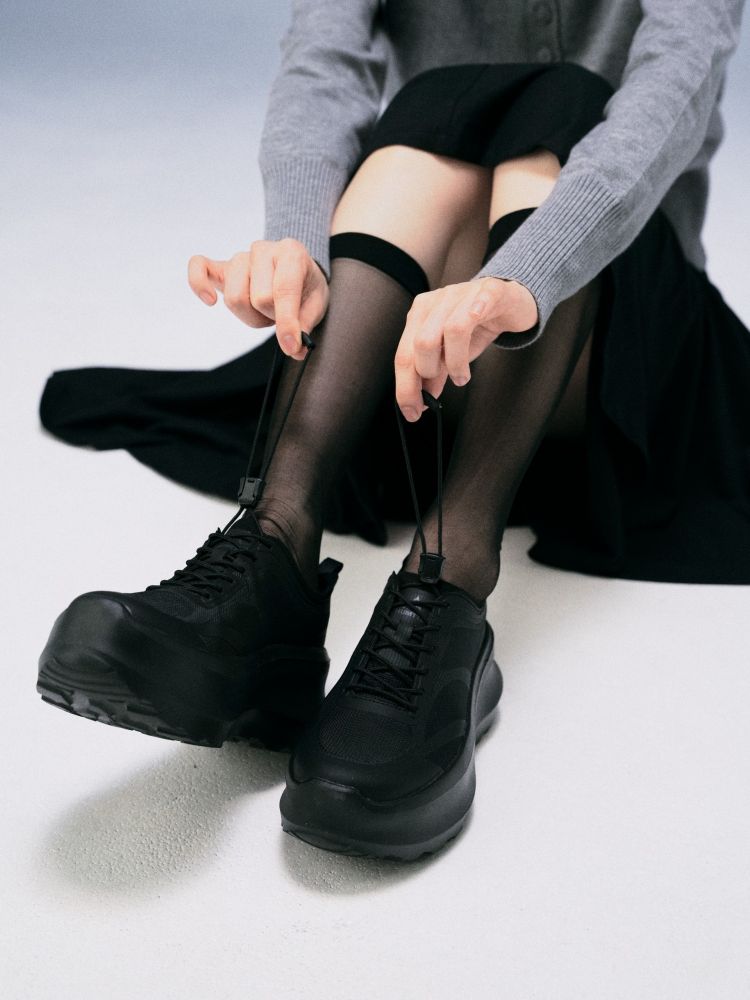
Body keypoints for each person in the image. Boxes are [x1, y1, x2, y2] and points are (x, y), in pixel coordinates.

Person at [38, 0, 750, 861]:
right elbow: (323, 59)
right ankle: (272, 555)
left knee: (563, 104)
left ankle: (447, 587)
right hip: (414, 359)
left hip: (610, 346)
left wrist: (526, 275)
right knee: (426, 120)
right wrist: (296, 239)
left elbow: (674, 83)